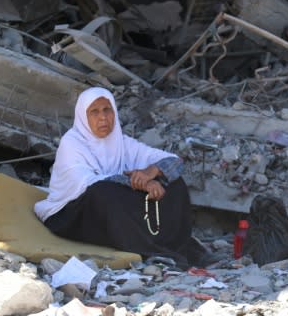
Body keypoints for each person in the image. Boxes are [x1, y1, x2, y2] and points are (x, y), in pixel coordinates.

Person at [35, 87, 206, 267]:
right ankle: (150, 252)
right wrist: (142, 184)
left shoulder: (120, 142)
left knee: (175, 183)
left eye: (107, 110)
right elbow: (88, 182)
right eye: (94, 112)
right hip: (72, 215)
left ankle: (177, 246)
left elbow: (174, 161)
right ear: (83, 117)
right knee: (104, 193)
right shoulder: (72, 143)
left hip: (111, 207)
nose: (103, 117)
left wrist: (152, 172)